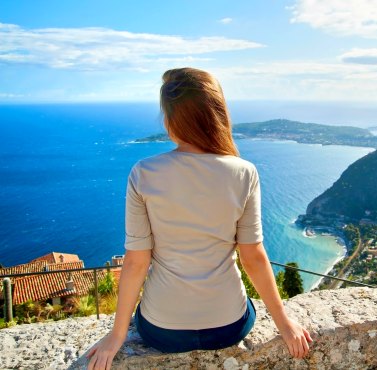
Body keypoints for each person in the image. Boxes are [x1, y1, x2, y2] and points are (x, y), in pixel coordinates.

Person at [86, 68, 312, 370]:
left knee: (147, 310)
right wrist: (284, 323)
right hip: (228, 325)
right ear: (217, 114)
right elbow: (253, 257)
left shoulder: (144, 173)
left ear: (170, 120)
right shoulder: (244, 173)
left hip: (162, 330)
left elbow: (137, 262)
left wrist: (116, 336)